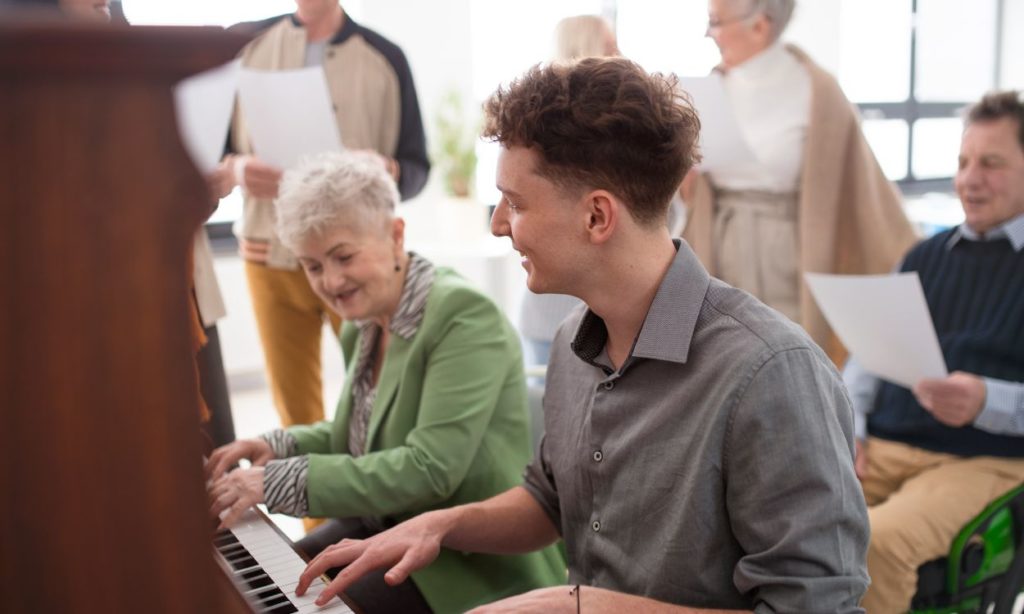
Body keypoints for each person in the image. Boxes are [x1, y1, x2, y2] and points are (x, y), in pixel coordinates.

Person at [293, 57, 870, 612]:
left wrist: (585, 606)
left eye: (514, 203)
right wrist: (440, 525)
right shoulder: (576, 341)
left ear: (597, 217)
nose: (497, 224)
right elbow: (550, 501)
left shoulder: (772, 373)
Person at [205, 151, 564, 614]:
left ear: (395, 235)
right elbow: (352, 435)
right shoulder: (365, 321)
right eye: (312, 266)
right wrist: (274, 446)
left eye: (343, 256)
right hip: (388, 527)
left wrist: (274, 482)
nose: (331, 281)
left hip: (464, 561)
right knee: (253, 591)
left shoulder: (463, 316)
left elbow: (428, 469)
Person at [842, 90, 1024, 613]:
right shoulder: (922, 257)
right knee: (779, 520)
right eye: (964, 162)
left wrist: (987, 399)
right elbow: (866, 360)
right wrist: (849, 428)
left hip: (983, 461)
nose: (969, 179)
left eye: (991, 163)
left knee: (875, 542)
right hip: (883, 450)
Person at [225, 0, 429, 428]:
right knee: (294, 410)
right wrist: (239, 169)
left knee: (382, 400)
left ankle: (375, 488)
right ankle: (305, 491)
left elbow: (415, 169)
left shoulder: (386, 57)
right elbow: (209, 150)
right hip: (269, 256)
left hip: (361, 256)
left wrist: (383, 167)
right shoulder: (244, 47)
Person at [681, 0, 917, 364]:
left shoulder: (818, 91)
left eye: (715, 22)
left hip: (788, 252)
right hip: (718, 243)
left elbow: (862, 187)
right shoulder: (710, 86)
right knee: (719, 355)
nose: (708, 35)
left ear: (760, 25)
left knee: (786, 358)